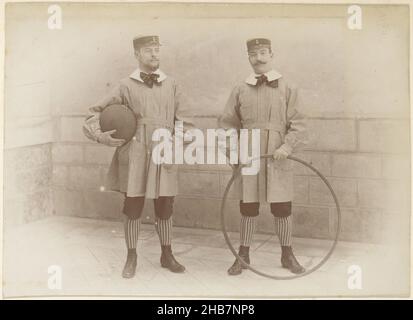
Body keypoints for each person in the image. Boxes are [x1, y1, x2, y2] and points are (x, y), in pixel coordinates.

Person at [83, 35, 194, 278]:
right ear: (137, 55)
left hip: (164, 152)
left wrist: (175, 144)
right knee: (133, 206)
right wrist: (102, 136)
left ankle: (167, 254)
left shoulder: (172, 84)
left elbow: (185, 123)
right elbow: (94, 115)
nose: (154, 54)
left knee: (165, 206)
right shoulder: (125, 85)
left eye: (157, 50)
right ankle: (131, 256)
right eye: (148, 51)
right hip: (135, 154)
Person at [218, 38, 308, 275]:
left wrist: (287, 148)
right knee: (248, 205)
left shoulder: (288, 87)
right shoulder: (239, 89)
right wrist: (234, 152)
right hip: (249, 156)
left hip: (277, 155)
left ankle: (287, 254)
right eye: (253, 54)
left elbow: (298, 123)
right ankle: (243, 254)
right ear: (248, 58)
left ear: (271, 54)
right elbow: (227, 124)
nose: (258, 58)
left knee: (282, 206)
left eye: (263, 52)